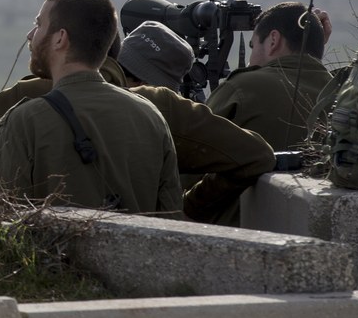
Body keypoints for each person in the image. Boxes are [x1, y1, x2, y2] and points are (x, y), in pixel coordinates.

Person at [0, 0, 183, 216]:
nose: (31, 35)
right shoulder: (151, 117)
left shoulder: (24, 122)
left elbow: (8, 225)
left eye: (39, 24)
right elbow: (170, 218)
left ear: (60, 38)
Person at [115, 21, 276, 224]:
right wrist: (191, 207)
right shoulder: (159, 105)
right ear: (146, 85)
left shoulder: (68, 93)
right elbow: (258, 155)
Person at [206, 2, 334, 152]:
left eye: (253, 46)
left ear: (273, 40)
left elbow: (190, 155)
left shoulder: (242, 88)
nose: (251, 58)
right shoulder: (344, 93)